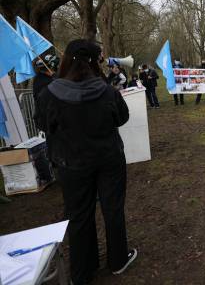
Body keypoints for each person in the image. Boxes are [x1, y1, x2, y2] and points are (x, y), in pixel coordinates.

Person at [34, 39, 137, 284]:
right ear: (94, 62)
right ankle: (118, 260)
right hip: (108, 159)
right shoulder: (106, 90)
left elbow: (41, 124)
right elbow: (121, 117)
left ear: (67, 60)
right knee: (112, 209)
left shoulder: (51, 94)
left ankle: (83, 271)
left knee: (79, 215)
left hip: (71, 164)